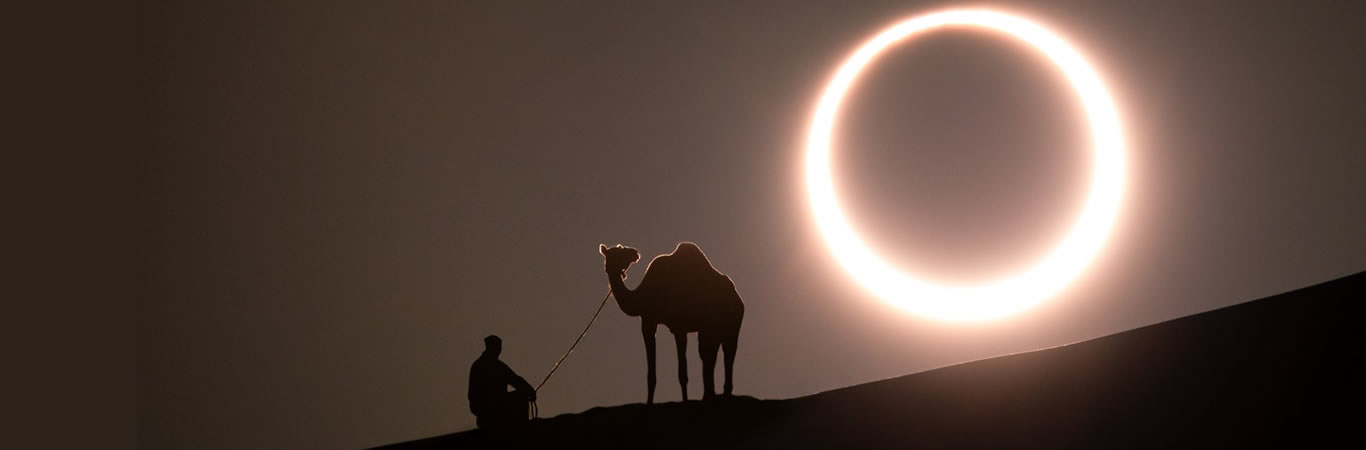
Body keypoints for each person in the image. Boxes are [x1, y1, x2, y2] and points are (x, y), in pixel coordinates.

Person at [468, 335, 536, 429]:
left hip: (485, 410)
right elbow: (516, 381)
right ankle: (523, 428)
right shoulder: (494, 367)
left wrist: (529, 389)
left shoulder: (479, 366)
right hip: (491, 409)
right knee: (521, 396)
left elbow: (516, 380)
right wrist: (530, 391)